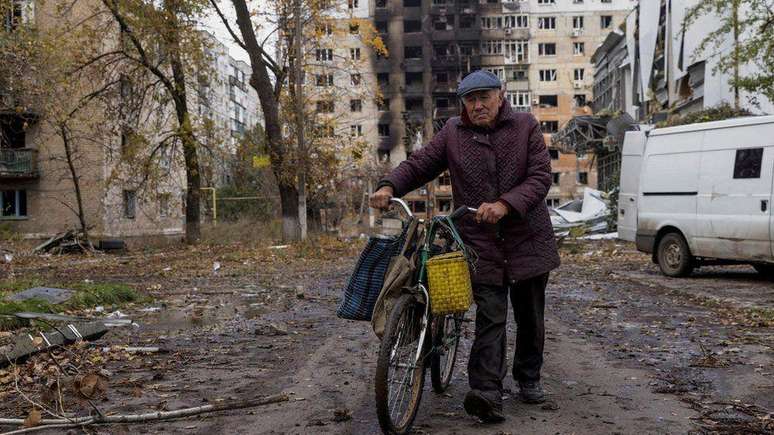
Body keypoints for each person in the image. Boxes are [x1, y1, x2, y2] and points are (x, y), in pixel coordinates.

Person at [369, 70, 560, 423]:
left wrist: (504, 204)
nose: (477, 105)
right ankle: (486, 393)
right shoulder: (453, 133)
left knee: (530, 316)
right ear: (463, 104)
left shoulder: (525, 127)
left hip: (527, 238)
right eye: (470, 100)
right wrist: (389, 186)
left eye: (484, 97)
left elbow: (540, 178)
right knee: (491, 316)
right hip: (480, 243)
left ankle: (528, 376)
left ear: (500, 96)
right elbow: (420, 164)